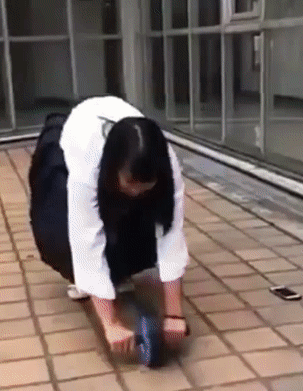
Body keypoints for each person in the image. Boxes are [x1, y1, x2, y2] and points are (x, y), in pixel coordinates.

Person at [29, 96, 189, 356]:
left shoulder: (166, 164)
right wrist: (110, 323)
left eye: (145, 186)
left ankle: (114, 274)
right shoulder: (88, 161)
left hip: (118, 160)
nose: (137, 192)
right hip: (69, 148)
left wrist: (174, 315)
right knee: (60, 231)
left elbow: (171, 234)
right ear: (115, 170)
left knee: (139, 219)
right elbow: (86, 237)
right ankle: (87, 283)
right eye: (131, 184)